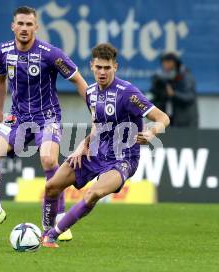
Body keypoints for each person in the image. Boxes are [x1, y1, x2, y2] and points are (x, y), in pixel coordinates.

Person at [41, 43, 170, 248]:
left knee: (93, 194)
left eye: (107, 68)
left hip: (123, 158)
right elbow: (97, 125)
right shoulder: (91, 93)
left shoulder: (128, 93)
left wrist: (151, 132)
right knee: (51, 187)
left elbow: (162, 117)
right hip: (96, 152)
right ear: (92, 66)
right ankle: (44, 231)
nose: (102, 72)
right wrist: (82, 145)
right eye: (99, 67)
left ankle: (53, 235)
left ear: (115, 67)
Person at [0, 6, 88, 241]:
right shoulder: (3, 51)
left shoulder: (51, 53)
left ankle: (59, 218)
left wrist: (96, 110)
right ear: (13, 26)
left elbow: (79, 81)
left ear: (36, 27)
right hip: (17, 117)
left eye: (29, 24)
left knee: (49, 159)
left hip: (47, 116)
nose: (25, 28)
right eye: (21, 23)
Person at [149, 52, 199, 127]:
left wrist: (173, 94)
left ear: (175, 63)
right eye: (164, 62)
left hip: (186, 122)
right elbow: (155, 96)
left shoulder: (185, 77)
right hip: (171, 122)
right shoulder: (162, 78)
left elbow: (189, 97)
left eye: (168, 62)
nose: (165, 65)